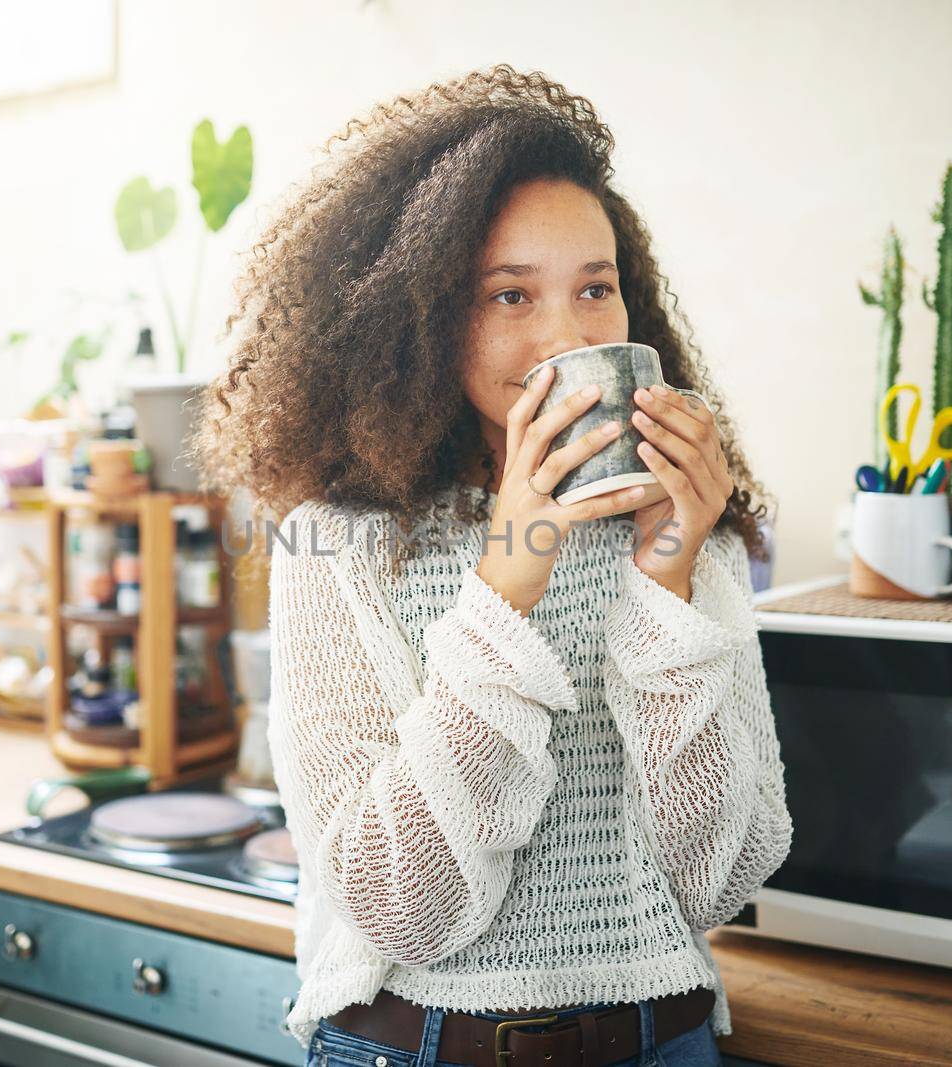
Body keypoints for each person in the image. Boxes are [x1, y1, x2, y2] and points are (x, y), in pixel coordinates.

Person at [196, 63, 791, 1067]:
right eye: (509, 294)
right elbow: (401, 907)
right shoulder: (334, 540)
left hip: (665, 1042)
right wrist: (512, 568)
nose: (567, 336)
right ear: (419, 316)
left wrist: (668, 577)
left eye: (594, 289)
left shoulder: (684, 527)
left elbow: (719, 881)